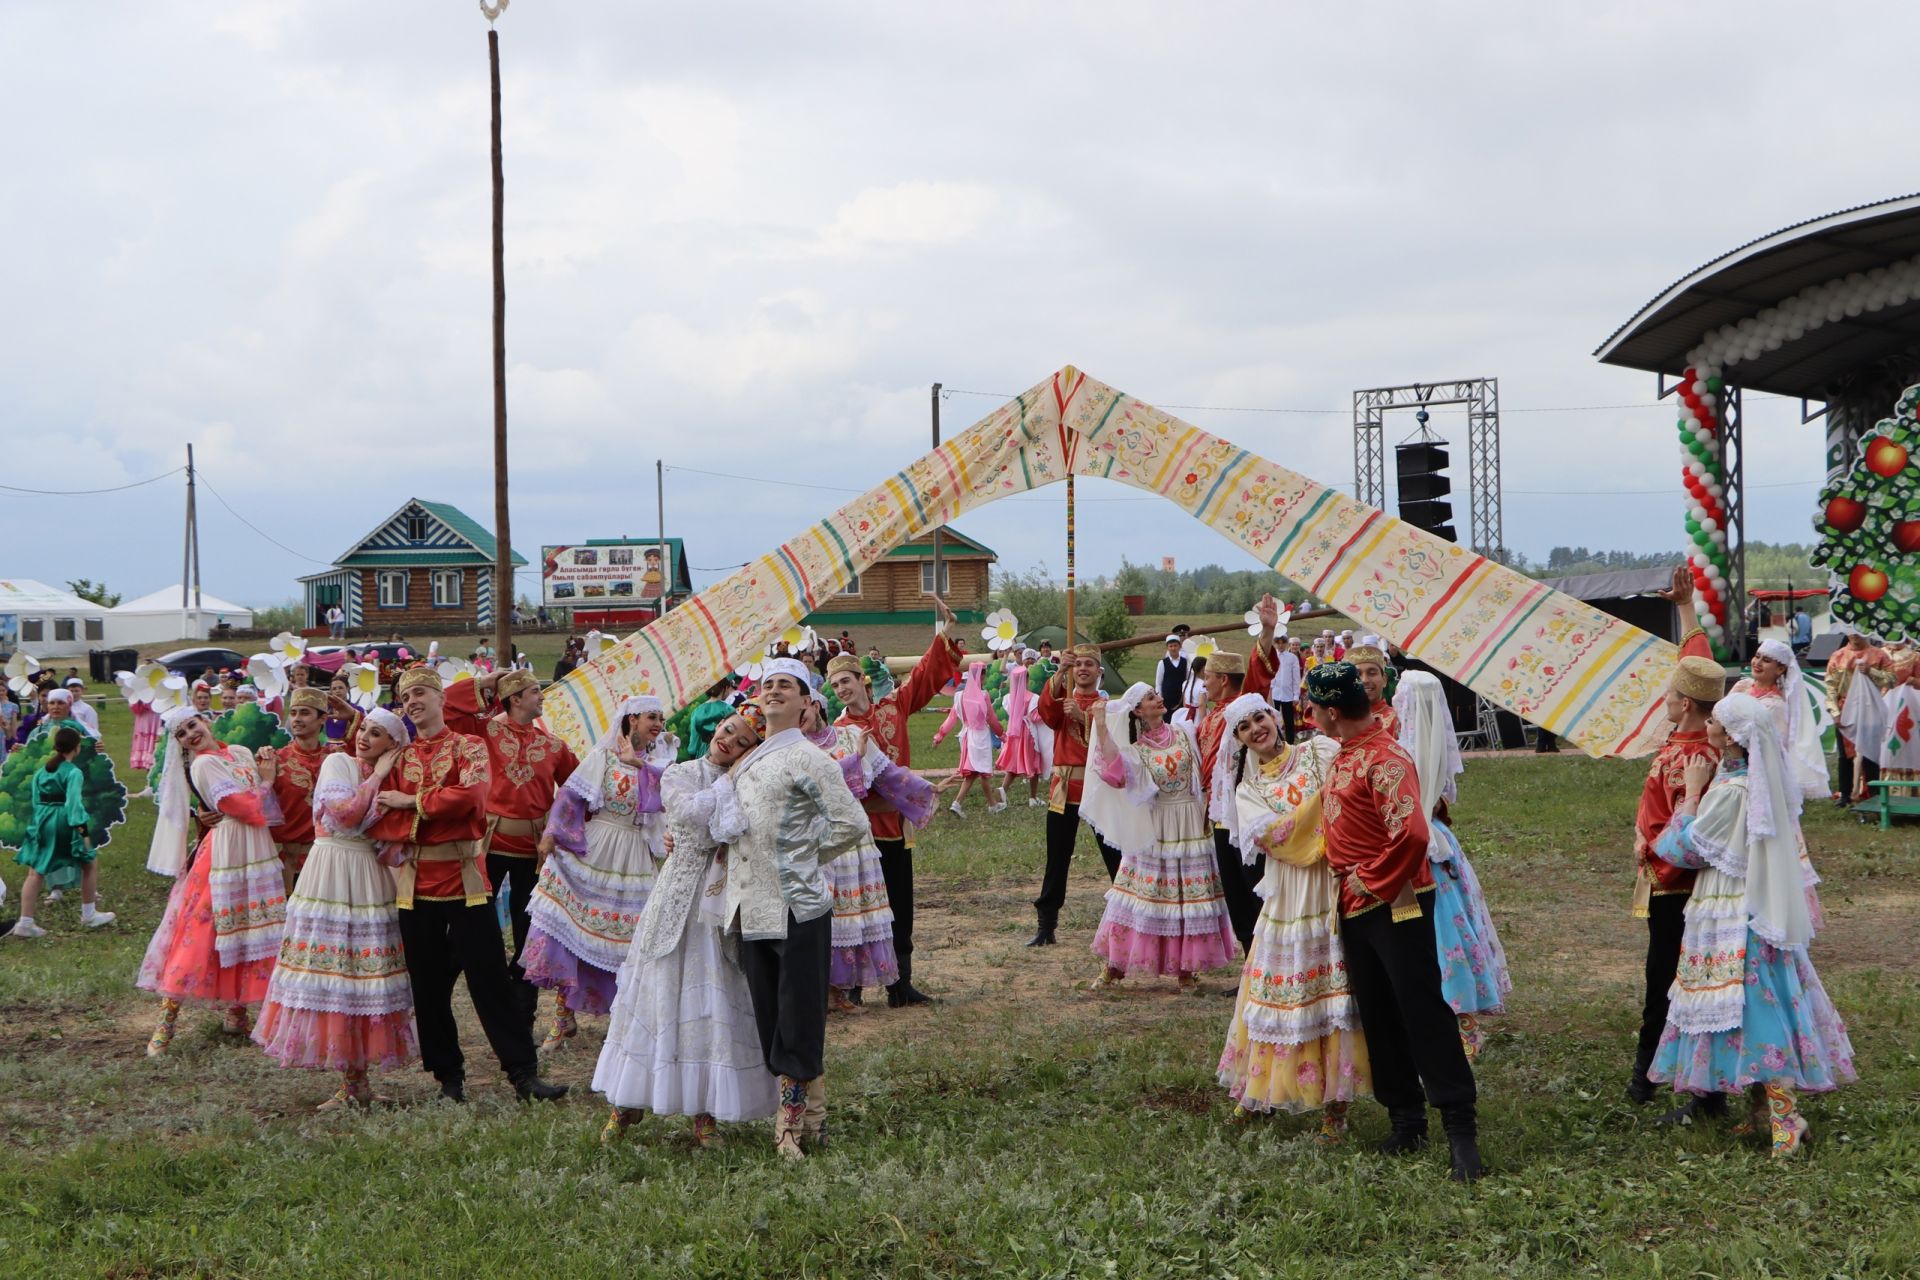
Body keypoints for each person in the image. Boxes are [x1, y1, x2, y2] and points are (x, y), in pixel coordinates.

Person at [1645, 693, 1856, 1156]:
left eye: (1717, 722)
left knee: (1755, 1013)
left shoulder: (1730, 792)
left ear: (1732, 738)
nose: (1711, 726)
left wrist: (1693, 796)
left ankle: (1787, 1118)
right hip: (1752, 907)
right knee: (1745, 1010)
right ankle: (1763, 1112)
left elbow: (1684, 850)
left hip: (1734, 912)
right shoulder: (1750, 782)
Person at [1305, 661, 1482, 1181]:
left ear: (1333, 712)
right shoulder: (1347, 755)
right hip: (1356, 905)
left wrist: (1370, 879)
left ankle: (1459, 1129)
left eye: (1314, 709)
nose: (1310, 717)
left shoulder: (1383, 758)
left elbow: (1413, 834)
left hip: (1397, 898)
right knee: (1379, 1013)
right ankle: (1405, 1120)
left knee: (1422, 1010)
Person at [367, 668, 565, 1102]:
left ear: (443, 699)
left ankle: (523, 1073)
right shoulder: (399, 757)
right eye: (405, 697)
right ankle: (448, 1079)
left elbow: (472, 798)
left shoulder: (471, 746)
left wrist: (412, 803)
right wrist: (424, 810)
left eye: (421, 692)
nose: (413, 701)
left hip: (466, 880)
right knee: (429, 985)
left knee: (490, 977)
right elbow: (387, 818)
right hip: (415, 886)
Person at [709, 659, 872, 1159]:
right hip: (749, 907)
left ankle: (790, 1129)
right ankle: (815, 1118)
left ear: (807, 702)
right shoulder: (750, 758)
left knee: (798, 1020)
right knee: (772, 1019)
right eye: (767, 685)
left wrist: (802, 854)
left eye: (787, 685)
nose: (774, 691)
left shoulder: (810, 759)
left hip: (797, 906)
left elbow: (851, 822)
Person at [595, 708, 779, 1146]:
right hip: (675, 894)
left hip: (718, 898)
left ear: (751, 750)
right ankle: (628, 1100)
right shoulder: (681, 772)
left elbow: (739, 829)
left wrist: (737, 788)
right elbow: (691, 813)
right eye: (728, 731)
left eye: (741, 741)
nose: (728, 742)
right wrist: (732, 782)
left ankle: (705, 1110)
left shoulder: (747, 783)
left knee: (712, 992)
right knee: (656, 989)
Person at [1216, 696, 1367, 1137]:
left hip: (1335, 881)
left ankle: (1336, 1107)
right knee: (1276, 992)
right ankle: (1259, 1088)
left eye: (1259, 717)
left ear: (1275, 717)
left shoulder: (1321, 750)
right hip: (1290, 894)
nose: (1256, 729)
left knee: (1336, 991)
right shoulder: (1247, 792)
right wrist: (1325, 802)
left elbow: (1355, 789)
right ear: (1240, 740)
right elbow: (1274, 835)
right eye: (1244, 727)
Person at [253, 710, 417, 1109]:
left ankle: (358, 1081)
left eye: (377, 735)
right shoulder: (338, 762)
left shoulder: (391, 780)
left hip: (367, 874)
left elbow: (388, 839)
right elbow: (344, 813)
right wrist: (377, 777)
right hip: (330, 871)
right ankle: (348, 1082)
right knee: (335, 973)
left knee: (362, 975)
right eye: (365, 729)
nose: (364, 737)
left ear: (392, 747)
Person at [825, 597, 961, 1004]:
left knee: (901, 904)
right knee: (859, 907)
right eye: (834, 686)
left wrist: (945, 633)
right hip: (859, 832)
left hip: (896, 826)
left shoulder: (894, 707)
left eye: (846, 681)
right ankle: (852, 986)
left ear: (861, 680)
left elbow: (923, 675)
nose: (841, 689)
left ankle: (900, 985)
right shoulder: (839, 730)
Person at [1625, 572, 1725, 1110]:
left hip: (1678, 889)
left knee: (1669, 980)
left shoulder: (1696, 759)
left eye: (1668, 692)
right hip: (1670, 884)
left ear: (1685, 704)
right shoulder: (1696, 736)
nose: (1662, 697)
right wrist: (1687, 607)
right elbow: (1697, 656)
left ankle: (1655, 1078)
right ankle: (1661, 1077)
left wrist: (1649, 849)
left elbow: (1691, 836)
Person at [139, 706, 287, 1055]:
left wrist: (264, 769)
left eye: (193, 725)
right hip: (227, 850)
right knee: (204, 931)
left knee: (253, 926)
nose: (191, 734)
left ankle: (237, 1012)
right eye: (181, 734)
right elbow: (245, 807)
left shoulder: (239, 753)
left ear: (205, 721)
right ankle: (166, 1022)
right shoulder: (203, 765)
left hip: (256, 847)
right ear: (179, 745)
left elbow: (260, 806)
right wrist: (267, 779)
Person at [442, 668, 581, 1037]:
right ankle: (441, 998)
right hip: (487, 848)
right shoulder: (485, 732)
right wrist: (486, 684)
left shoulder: (553, 746)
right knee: (470, 927)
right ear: (515, 698)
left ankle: (521, 1023)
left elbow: (577, 792)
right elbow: (446, 707)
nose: (542, 697)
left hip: (533, 855)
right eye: (536, 691)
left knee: (526, 936)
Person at [527, 694, 670, 1049]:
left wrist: (638, 765)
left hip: (635, 855)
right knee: (574, 934)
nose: (658, 724)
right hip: (599, 847)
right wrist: (550, 836)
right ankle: (563, 1018)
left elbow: (667, 799)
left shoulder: (660, 763)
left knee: (629, 941)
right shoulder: (603, 757)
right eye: (651, 716)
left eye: (661, 718)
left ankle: (623, 1021)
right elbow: (570, 798)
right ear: (631, 719)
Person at [1086, 684, 1235, 992]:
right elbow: (1114, 773)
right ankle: (1115, 965)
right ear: (1139, 711)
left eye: (1157, 695)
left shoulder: (1183, 731)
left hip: (1190, 820)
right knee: (1140, 894)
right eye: (1151, 698)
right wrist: (1101, 725)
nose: (1159, 699)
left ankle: (1186, 969)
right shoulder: (1138, 749)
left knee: (1187, 897)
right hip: (1157, 824)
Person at [1394, 672, 1511, 1060]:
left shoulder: (1406, 750)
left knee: (1440, 929)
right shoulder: (1432, 746)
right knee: (1452, 927)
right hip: (1439, 839)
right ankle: (1460, 1017)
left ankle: (1458, 1016)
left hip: (1423, 844)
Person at [801, 691, 930, 1009]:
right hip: (816, 842)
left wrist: (922, 789)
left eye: (803, 709)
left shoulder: (850, 734)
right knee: (824, 915)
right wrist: (854, 761)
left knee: (855, 914)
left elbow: (887, 774)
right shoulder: (794, 748)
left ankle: (858, 987)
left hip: (854, 841)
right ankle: (831, 989)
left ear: (815, 704)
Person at [1196, 595, 1283, 955]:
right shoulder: (1212, 713)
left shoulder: (1242, 708)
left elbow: (1260, 674)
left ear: (1225, 681)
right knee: (1233, 892)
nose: (1204, 684)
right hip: (1218, 814)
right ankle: (1250, 965)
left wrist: (1266, 631)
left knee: (1252, 885)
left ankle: (1268, 961)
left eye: (1209, 678)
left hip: (1245, 813)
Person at [1027, 644, 1124, 946]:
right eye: (1077, 664)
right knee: (1057, 858)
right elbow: (1046, 713)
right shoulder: (1063, 699)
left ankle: (1128, 919)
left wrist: (1084, 718)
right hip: (1063, 789)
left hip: (1098, 789)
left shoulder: (1108, 708)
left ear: (1099, 672)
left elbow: (1113, 744)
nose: (1082, 669)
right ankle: (1046, 926)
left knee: (1115, 855)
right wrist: (1059, 672)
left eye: (1089, 664)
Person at [6, 727, 115, 940]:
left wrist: (39, 823)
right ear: (77, 747)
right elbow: (74, 805)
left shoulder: (42, 770)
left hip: (42, 819)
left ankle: (25, 922)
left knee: (35, 871)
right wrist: (83, 833)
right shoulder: (73, 772)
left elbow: (36, 800)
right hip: (63, 820)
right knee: (89, 863)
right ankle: (89, 914)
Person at [1728, 639, 1831, 802]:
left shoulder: (1774, 705)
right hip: (1730, 760)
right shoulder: (1743, 686)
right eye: (1757, 656)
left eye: (1766, 660)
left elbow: (1769, 745)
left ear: (1780, 669)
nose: (1758, 662)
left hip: (1753, 769)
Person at [266, 688, 343, 895]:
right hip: (286, 863)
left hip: (328, 859)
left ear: (322, 719)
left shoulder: (336, 758)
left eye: (305, 713)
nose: (297, 719)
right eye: (293, 713)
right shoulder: (275, 759)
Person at [931, 660, 1006, 817]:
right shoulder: (983, 695)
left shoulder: (959, 696)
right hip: (980, 737)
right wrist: (1002, 734)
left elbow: (951, 718)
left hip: (966, 736)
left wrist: (940, 735)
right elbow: (991, 719)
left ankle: (958, 803)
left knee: (972, 774)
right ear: (982, 676)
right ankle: (992, 805)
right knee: (984, 772)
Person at [1828, 629, 1894, 804]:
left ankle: (1874, 794)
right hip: (1845, 711)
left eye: (1858, 631)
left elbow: (1892, 680)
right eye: (1850, 631)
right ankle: (1845, 794)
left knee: (1870, 754)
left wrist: (1871, 671)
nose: (1854, 635)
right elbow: (1830, 686)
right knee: (1845, 756)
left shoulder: (1879, 655)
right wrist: (1834, 712)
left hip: (1870, 710)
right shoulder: (1838, 655)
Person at [997, 652, 1047, 807]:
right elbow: (1035, 717)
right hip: (1028, 734)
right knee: (1034, 764)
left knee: (1014, 764)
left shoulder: (1008, 698)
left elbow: (1011, 712)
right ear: (1026, 679)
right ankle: (1032, 798)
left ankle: (1003, 790)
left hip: (1014, 734)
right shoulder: (1033, 697)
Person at [1269, 635, 1302, 743]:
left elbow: (1296, 678)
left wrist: (1296, 695)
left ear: (1287, 643)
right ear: (1274, 644)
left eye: (1283, 642)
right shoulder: (1271, 656)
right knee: (1273, 719)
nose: (1280, 645)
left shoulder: (1292, 657)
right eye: (1278, 643)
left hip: (1287, 694)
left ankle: (1290, 743)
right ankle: (1275, 741)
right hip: (1274, 693)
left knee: (1288, 720)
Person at [1154, 636, 1189, 716]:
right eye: (1171, 646)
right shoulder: (1162, 663)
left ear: (1179, 646)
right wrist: (1159, 699)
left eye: (1175, 646)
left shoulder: (1185, 662)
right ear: (1167, 647)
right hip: (1167, 700)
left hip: (1181, 699)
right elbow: (1158, 683)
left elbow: (1187, 680)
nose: (1173, 648)